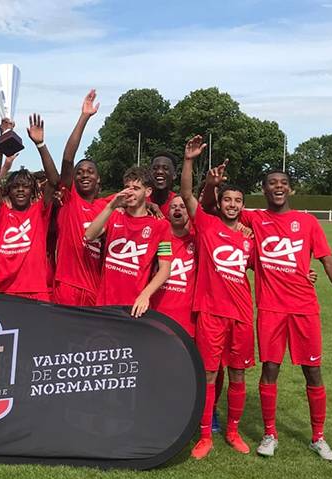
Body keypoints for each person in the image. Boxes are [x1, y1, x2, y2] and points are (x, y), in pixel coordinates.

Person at [205, 169, 332, 462]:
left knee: (313, 371)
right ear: (263, 189)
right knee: (270, 369)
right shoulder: (254, 219)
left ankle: (318, 438)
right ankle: (269, 434)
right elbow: (215, 209)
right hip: (271, 309)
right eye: (272, 183)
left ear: (291, 189)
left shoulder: (308, 222)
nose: (278, 187)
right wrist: (213, 184)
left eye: (283, 183)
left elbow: (327, 261)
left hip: (305, 309)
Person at [181, 135, 255, 460]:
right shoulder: (208, 226)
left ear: (242, 205)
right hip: (211, 312)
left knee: (237, 373)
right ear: (220, 202)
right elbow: (186, 194)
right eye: (228, 200)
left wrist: (305, 275)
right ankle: (204, 436)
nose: (233, 205)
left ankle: (233, 431)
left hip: (241, 315)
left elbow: (270, 267)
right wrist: (189, 161)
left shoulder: (249, 237)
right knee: (209, 374)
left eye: (238, 201)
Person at [0, 115, 58, 300]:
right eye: (15, 186)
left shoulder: (39, 212)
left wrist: (40, 144)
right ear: (8, 191)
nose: (20, 190)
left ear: (32, 191)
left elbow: (54, 180)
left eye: (25, 186)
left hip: (36, 290)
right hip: (5, 291)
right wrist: (2, 140)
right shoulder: (2, 213)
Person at [84, 167, 172, 314]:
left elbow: (165, 269)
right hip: (104, 304)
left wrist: (145, 295)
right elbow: (89, 236)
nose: (130, 192)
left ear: (148, 192)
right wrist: (111, 206)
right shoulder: (114, 216)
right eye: (126, 188)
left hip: (133, 306)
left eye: (136, 188)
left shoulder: (161, 226)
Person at [52, 90, 111, 306]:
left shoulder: (108, 206)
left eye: (90, 171)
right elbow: (68, 159)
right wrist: (84, 117)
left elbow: (137, 195)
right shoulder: (70, 200)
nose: (84, 174)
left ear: (98, 179)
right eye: (80, 172)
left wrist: (153, 206)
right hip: (68, 286)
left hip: (96, 289)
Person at [149, 195, 197, 336]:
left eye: (183, 207)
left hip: (186, 322)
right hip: (157, 317)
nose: (178, 209)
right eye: (173, 206)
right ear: (167, 213)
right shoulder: (158, 239)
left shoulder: (198, 240)